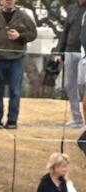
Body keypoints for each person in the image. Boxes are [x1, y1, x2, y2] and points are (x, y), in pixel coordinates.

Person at [0, 0, 37, 130]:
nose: (8, 1)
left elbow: (33, 34)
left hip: (17, 59)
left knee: (15, 91)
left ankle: (12, 122)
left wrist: (20, 36)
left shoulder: (24, 16)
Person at [57, 0, 86, 129]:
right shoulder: (72, 8)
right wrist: (59, 51)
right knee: (70, 85)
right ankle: (77, 118)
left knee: (82, 85)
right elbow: (65, 31)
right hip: (70, 50)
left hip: (84, 53)